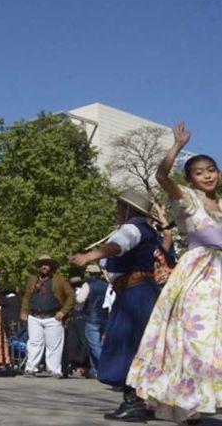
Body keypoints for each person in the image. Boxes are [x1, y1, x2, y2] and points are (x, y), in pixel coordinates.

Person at [127, 123, 221, 423]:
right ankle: (188, 401)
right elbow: (161, 176)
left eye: (212, 169)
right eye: (199, 171)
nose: (207, 175)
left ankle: (207, 398)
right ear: (190, 178)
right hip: (198, 276)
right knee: (197, 337)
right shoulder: (190, 200)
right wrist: (177, 147)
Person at [71, 191, 162, 420]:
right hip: (139, 292)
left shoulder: (132, 228)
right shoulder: (148, 230)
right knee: (139, 346)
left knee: (127, 346)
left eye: (120, 208)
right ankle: (139, 401)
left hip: (135, 293)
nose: (117, 212)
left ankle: (135, 403)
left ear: (130, 210)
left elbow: (118, 246)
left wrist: (90, 255)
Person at [20, 255, 75, 377]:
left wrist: (63, 312)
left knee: (54, 345)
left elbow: (71, 296)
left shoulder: (59, 280)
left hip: (53, 317)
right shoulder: (32, 279)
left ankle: (54, 370)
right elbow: (27, 297)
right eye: (41, 264)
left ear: (51, 266)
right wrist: (24, 311)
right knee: (34, 343)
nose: (43, 266)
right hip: (34, 316)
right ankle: (30, 368)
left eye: (46, 264)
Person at [75, 264, 108, 380]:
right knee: (99, 344)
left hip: (91, 317)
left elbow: (80, 299)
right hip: (105, 318)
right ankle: (95, 370)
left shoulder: (88, 285)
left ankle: (106, 366)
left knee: (94, 345)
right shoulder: (107, 285)